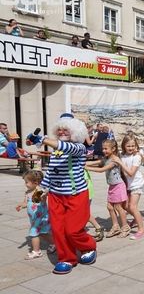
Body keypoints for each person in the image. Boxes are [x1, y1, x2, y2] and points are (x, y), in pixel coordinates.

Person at [26, 113, 96, 274]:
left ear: (76, 131)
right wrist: (40, 191)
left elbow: (65, 147)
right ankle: (67, 258)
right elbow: (51, 172)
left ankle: (88, 247)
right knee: (58, 230)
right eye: (59, 129)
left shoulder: (79, 147)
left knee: (73, 230)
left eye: (66, 129)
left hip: (76, 195)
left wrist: (42, 140)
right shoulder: (56, 152)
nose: (62, 132)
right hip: (57, 196)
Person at [85, 140, 131, 238]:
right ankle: (115, 226)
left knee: (118, 207)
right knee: (110, 207)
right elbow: (97, 162)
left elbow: (102, 169)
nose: (104, 150)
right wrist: (82, 163)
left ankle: (125, 227)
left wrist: (86, 168)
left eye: (106, 148)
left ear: (113, 149)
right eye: (103, 148)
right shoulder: (106, 158)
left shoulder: (114, 159)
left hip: (118, 186)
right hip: (112, 186)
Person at [15, 170, 55, 260]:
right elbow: (26, 203)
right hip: (34, 218)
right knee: (43, 233)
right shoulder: (27, 192)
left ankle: (36, 251)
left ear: (36, 183)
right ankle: (55, 243)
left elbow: (43, 199)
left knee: (34, 233)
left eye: (27, 182)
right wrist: (21, 205)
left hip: (41, 217)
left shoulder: (40, 192)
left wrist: (44, 195)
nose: (25, 184)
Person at [113, 134, 144, 240]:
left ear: (136, 146)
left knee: (132, 207)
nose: (131, 148)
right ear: (123, 146)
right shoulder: (122, 156)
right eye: (128, 146)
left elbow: (131, 173)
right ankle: (138, 218)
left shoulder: (136, 157)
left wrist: (120, 163)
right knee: (125, 206)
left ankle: (141, 230)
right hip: (127, 185)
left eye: (133, 146)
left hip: (136, 184)